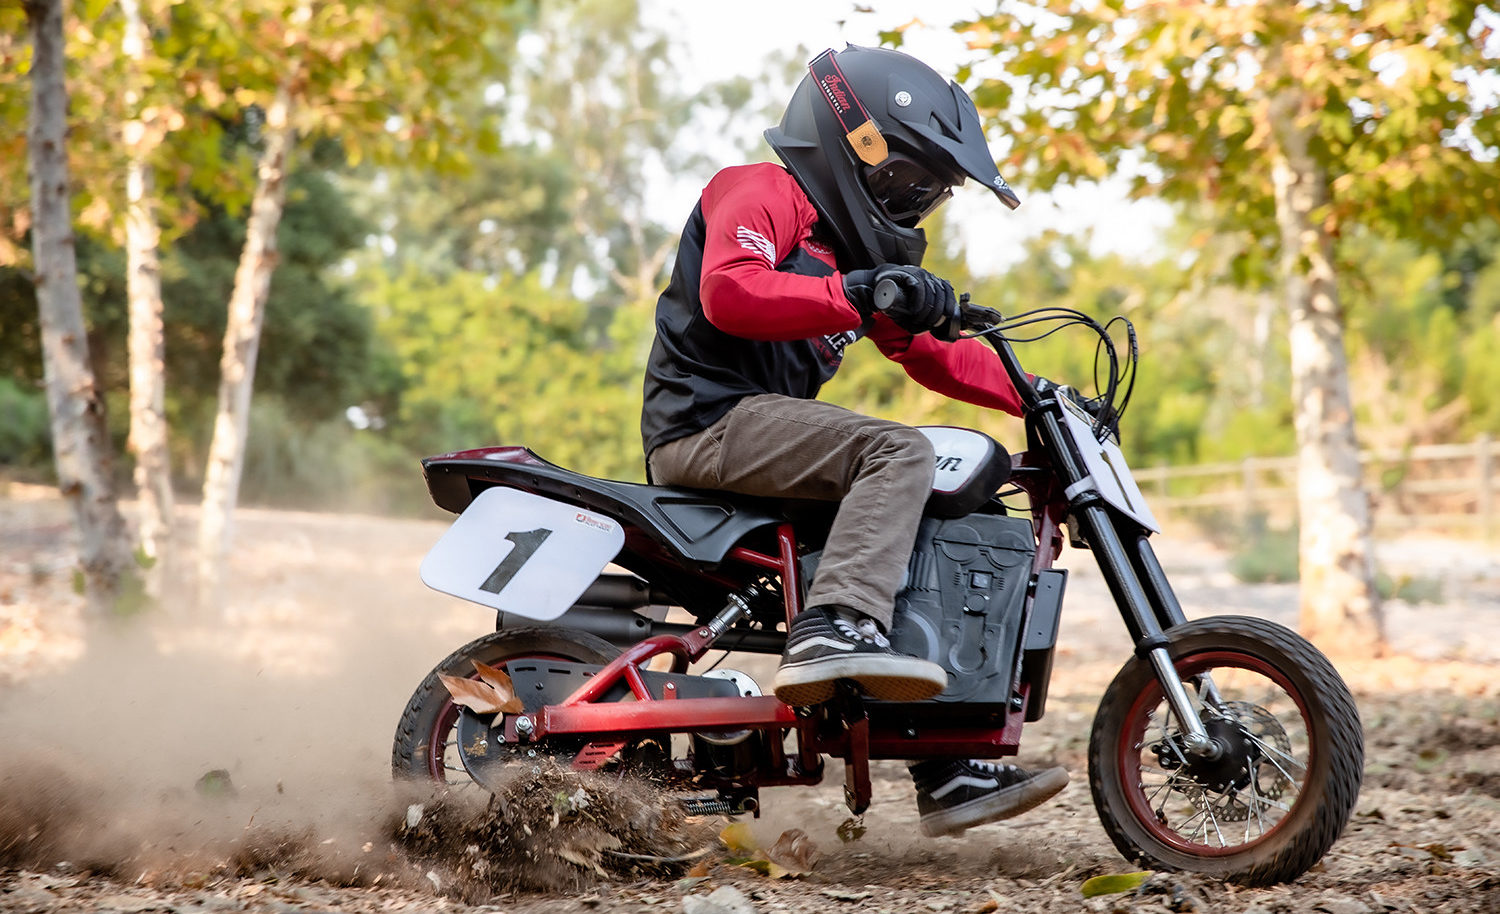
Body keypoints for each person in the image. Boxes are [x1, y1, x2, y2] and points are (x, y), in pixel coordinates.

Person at [640, 45, 1067, 838]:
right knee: (899, 453)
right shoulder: (759, 190)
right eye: (907, 182)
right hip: (706, 425)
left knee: (941, 507)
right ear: (851, 143)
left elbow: (932, 354)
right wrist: (857, 292)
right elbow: (731, 290)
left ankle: (943, 762)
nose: (913, 206)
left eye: (929, 196)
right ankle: (830, 631)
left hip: (763, 441)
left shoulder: (849, 259)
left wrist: (1042, 398)